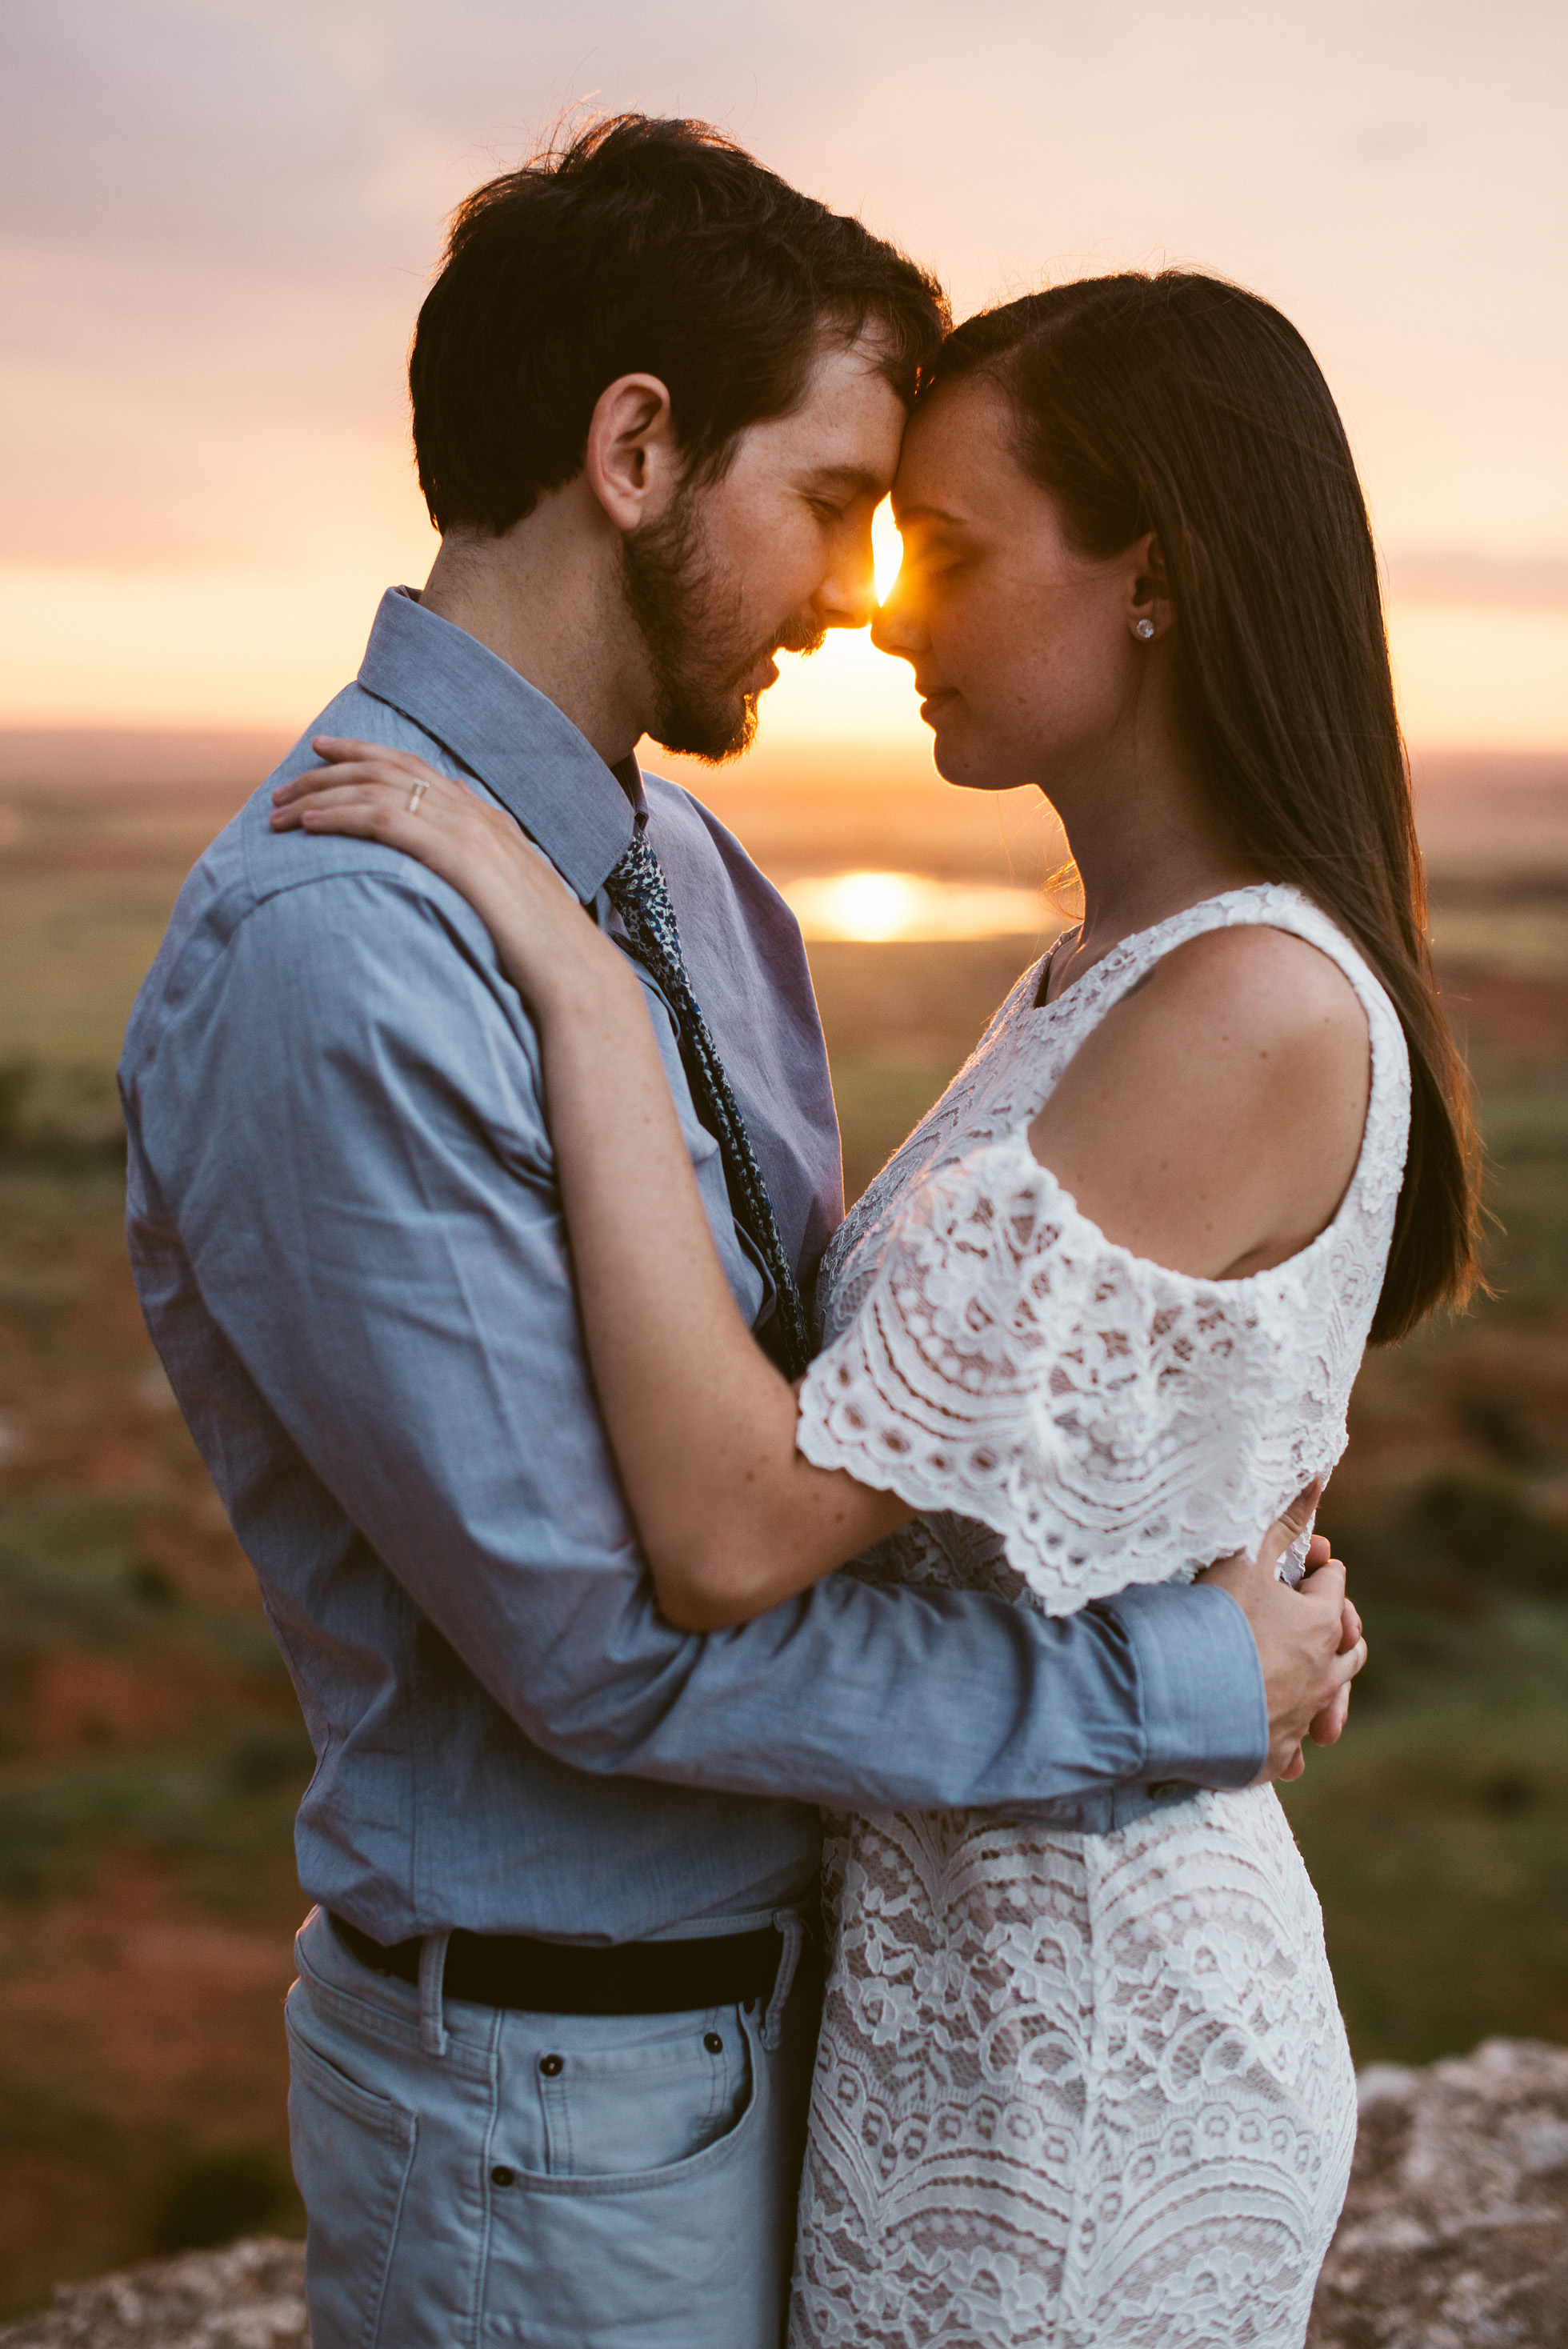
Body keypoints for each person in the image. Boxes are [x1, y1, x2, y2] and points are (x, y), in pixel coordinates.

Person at [122, 118, 1362, 2349]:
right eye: (830, 503)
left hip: (794, 2039)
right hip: (546, 2100)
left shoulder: (691, 885)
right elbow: (609, 1641)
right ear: (633, 450)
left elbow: (825, 1437)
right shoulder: (345, 950)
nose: (849, 594)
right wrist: (1182, 1679)